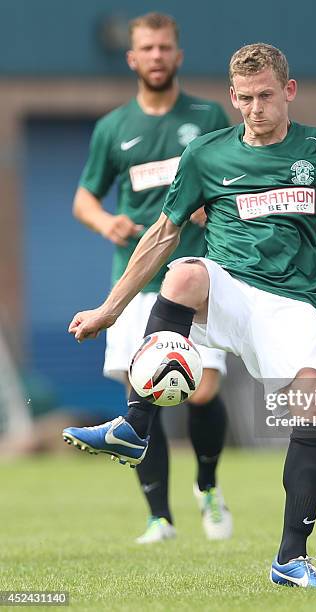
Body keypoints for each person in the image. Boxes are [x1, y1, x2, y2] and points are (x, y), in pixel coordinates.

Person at [64, 43, 316, 588]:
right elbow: (162, 234)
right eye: (246, 99)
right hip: (228, 287)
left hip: (292, 306)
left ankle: (291, 558)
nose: (257, 109)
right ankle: (136, 426)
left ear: (289, 91)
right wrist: (110, 310)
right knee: (183, 272)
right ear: (233, 97)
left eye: (267, 96)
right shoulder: (206, 153)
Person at [70, 12, 232, 544]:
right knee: (144, 394)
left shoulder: (208, 115)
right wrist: (105, 221)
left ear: (178, 56)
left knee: (202, 390)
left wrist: (217, 209)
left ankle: (207, 486)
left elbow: (234, 179)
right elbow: (84, 198)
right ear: (132, 58)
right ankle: (159, 518)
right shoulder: (114, 128)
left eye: (165, 47)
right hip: (135, 281)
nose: (157, 56)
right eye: (148, 48)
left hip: (195, 277)